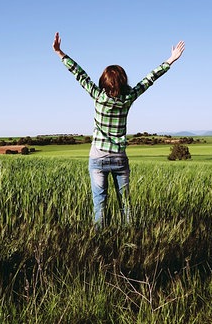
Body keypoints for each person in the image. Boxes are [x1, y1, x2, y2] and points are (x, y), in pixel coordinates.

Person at [52, 32, 185, 229]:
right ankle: (130, 237)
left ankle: (100, 241)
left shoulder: (97, 96)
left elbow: (79, 73)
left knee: (100, 205)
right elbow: (149, 79)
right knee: (126, 205)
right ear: (123, 81)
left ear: (103, 82)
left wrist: (60, 52)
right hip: (119, 158)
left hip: (97, 157)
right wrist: (170, 60)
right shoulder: (128, 98)